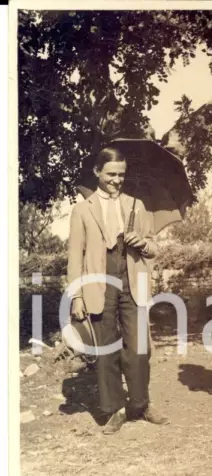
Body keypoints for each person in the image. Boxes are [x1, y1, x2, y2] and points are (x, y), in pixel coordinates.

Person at [67, 146, 169, 434]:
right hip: (98, 286)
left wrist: (142, 242)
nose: (116, 180)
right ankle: (114, 409)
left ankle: (141, 404)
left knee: (138, 348)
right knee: (106, 351)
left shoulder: (137, 205)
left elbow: (153, 249)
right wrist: (76, 295)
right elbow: (75, 256)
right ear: (97, 172)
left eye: (121, 175)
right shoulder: (82, 210)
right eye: (111, 174)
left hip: (131, 282)